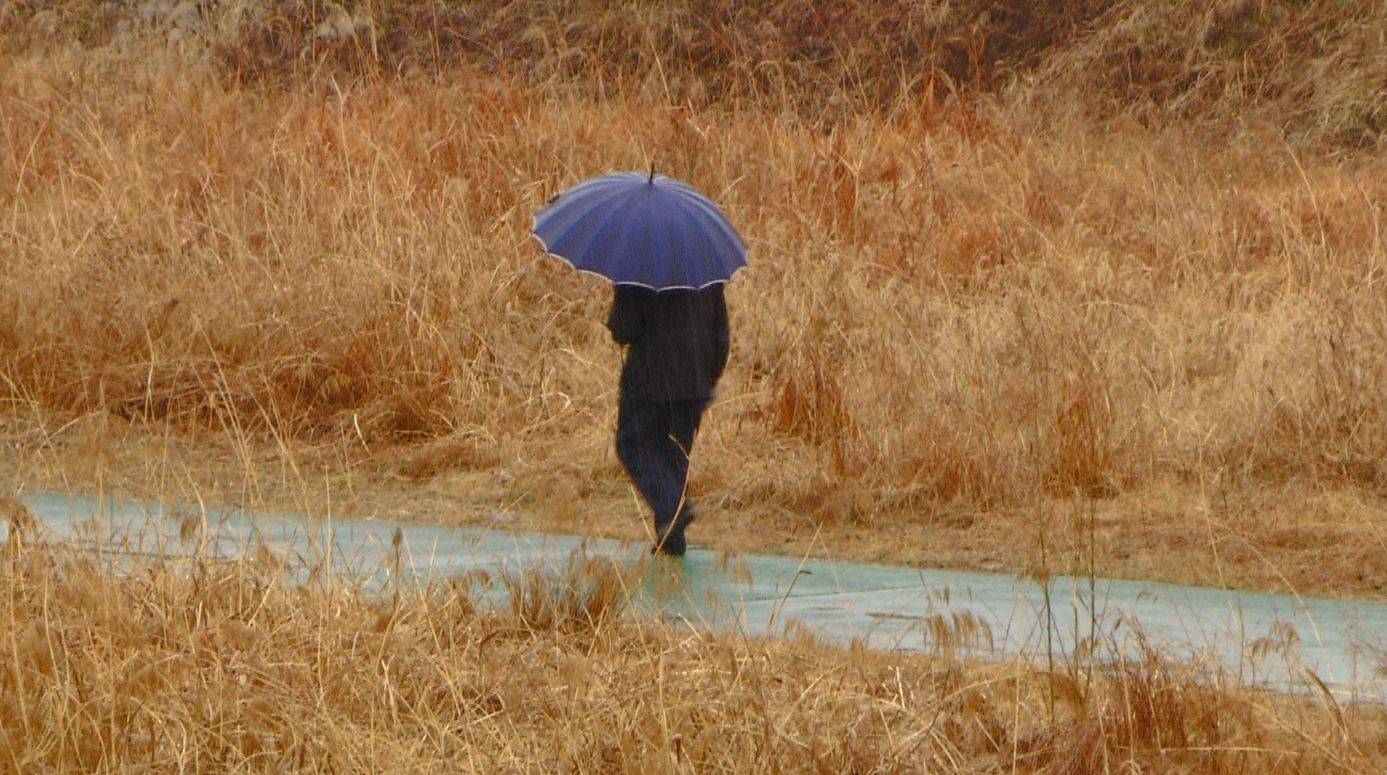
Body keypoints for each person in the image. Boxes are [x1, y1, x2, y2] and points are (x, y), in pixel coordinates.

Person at [607, 282, 729, 555]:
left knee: (632, 446)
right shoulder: (706, 273)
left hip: (649, 382)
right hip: (694, 384)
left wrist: (618, 303)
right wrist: (708, 378)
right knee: (673, 458)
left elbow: (624, 328)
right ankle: (671, 538)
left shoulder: (637, 270)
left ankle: (673, 510)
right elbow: (721, 334)